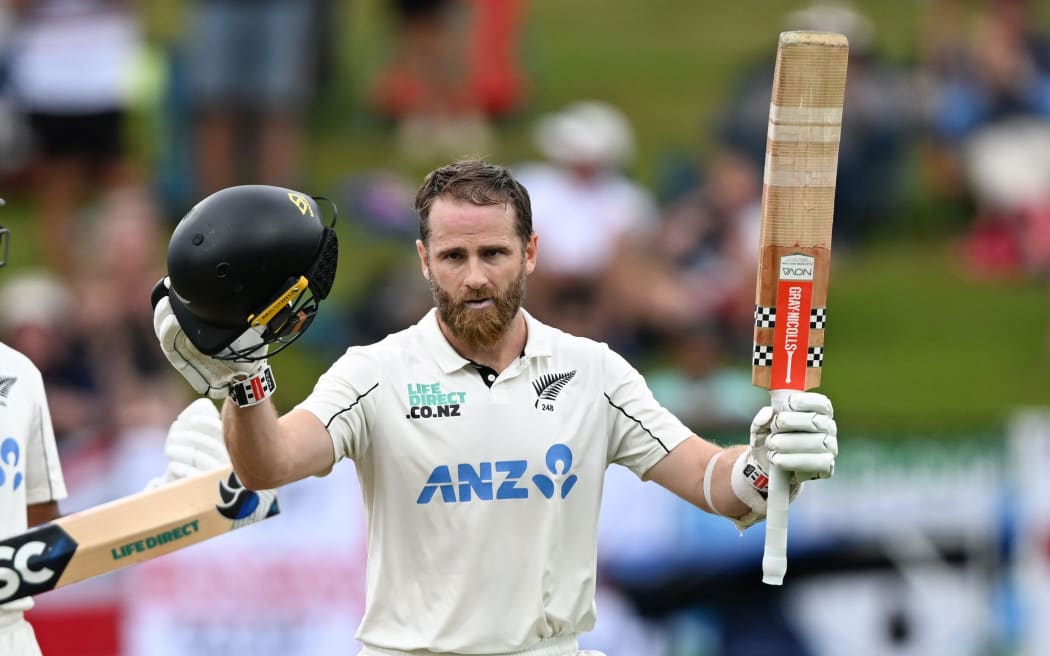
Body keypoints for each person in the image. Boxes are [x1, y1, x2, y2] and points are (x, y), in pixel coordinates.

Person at [152, 161, 839, 656]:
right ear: (423, 260)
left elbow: (713, 484)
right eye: (453, 256)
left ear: (531, 254)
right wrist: (242, 381)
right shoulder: (374, 373)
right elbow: (270, 463)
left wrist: (766, 465)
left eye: (493, 253)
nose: (474, 276)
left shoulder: (591, 371)